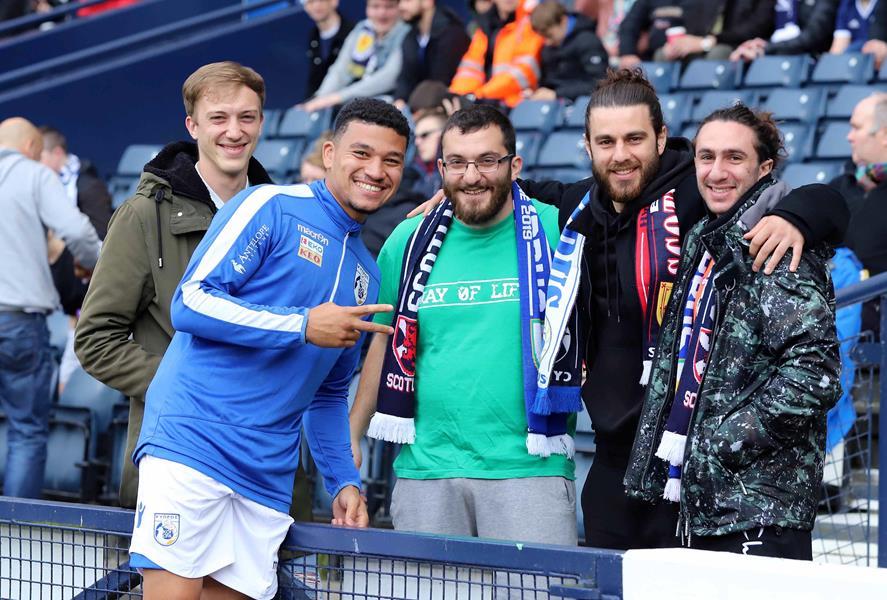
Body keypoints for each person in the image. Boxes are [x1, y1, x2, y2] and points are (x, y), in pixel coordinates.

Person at [517, 68, 848, 550]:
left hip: (686, 460)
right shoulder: (580, 207)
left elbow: (826, 200)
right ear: (587, 147)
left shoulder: (700, 190)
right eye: (606, 142)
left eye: (635, 138)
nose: (621, 154)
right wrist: (454, 193)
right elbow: (509, 190)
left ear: (661, 138)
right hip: (613, 462)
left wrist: (795, 218)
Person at [128, 97, 409, 600]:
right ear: (329, 153)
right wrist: (302, 325)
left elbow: (327, 395)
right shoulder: (271, 205)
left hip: (266, 476)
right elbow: (191, 302)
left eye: (391, 160)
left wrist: (343, 481)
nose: (375, 171)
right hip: (194, 445)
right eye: (362, 153)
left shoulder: (366, 276)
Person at [350, 105, 578, 546]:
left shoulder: (556, 229)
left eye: (487, 161)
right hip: (426, 473)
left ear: (515, 165)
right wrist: (352, 437)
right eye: (457, 162)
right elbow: (383, 345)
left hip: (530, 469)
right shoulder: (408, 240)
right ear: (441, 170)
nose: (471, 176)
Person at [624, 105, 841, 559]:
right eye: (706, 157)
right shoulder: (705, 238)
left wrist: (719, 441)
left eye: (734, 158)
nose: (717, 171)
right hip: (704, 506)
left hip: (757, 513)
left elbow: (814, 375)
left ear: (764, 168)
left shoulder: (776, 247)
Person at [74, 61, 275, 510]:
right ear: (193, 126)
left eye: (246, 117)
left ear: (261, 122)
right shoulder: (143, 216)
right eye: (218, 118)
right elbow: (95, 340)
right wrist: (190, 387)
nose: (234, 131)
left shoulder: (283, 214)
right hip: (176, 454)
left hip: (264, 462)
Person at [0, 117, 100, 498]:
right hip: (18, 321)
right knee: (26, 432)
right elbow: (77, 231)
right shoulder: (34, 174)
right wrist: (100, 264)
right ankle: (15, 532)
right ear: (31, 147)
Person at [830, 93, 887, 331]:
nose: (849, 136)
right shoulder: (837, 188)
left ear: (884, 135)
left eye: (857, 128)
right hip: (833, 322)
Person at [362, 110, 445, 257]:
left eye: (425, 135)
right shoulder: (409, 174)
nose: (418, 142)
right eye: (416, 137)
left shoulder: (454, 181)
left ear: (444, 136)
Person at [301, 0, 409, 112]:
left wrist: (338, 97)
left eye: (389, 7)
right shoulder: (362, 29)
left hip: (387, 103)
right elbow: (340, 70)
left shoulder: (406, 32)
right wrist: (319, 98)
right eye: (375, 7)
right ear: (367, 8)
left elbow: (389, 78)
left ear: (399, 8)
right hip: (353, 104)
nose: (381, 13)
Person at [617, 0, 776, 67]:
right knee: (663, 54)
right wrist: (627, 53)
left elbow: (757, 26)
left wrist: (707, 41)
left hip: (733, 47)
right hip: (700, 44)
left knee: (718, 53)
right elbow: (629, 24)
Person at [449, 0, 545, 108]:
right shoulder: (485, 25)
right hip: (487, 102)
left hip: (516, 104)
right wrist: (457, 95)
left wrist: (480, 95)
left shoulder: (531, 22)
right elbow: (470, 69)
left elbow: (524, 71)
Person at [39, 126, 114, 239]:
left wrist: (61, 246)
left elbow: (103, 237)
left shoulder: (90, 188)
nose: (34, 164)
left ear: (57, 153)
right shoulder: (43, 186)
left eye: (39, 158)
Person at [393, 0, 470, 106]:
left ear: (428, 1)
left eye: (407, 0)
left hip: (446, 105)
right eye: (399, 1)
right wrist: (399, 100)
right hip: (419, 104)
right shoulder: (411, 36)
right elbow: (405, 78)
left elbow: (441, 83)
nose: (401, 6)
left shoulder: (452, 34)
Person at [529, 0, 608, 101]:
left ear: (563, 21)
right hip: (555, 100)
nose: (547, 42)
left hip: (581, 102)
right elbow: (547, 81)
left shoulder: (587, 41)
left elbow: (600, 83)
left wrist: (557, 94)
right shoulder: (550, 46)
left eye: (549, 35)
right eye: (543, 37)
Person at [730, 0, 838, 62]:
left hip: (808, 59)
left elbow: (812, 37)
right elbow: (765, 27)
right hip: (779, 53)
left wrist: (767, 48)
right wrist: (756, 46)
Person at [303, 0, 355, 98]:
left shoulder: (354, 31)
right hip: (323, 100)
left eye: (322, 0)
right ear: (306, 7)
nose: (317, 5)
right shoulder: (313, 37)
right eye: (311, 1)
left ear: (334, 1)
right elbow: (314, 80)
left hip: (350, 98)